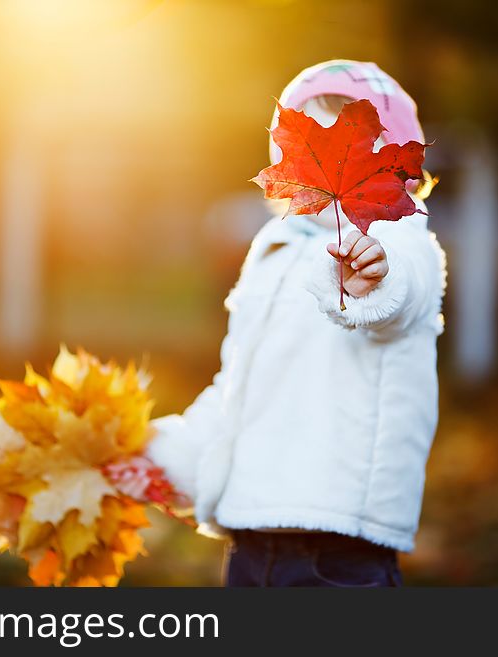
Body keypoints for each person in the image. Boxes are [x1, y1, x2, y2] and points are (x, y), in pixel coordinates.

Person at [118, 60, 446, 587]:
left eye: (357, 153)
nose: (329, 171)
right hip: (251, 538)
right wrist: (162, 457)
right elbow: (240, 388)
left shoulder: (403, 241)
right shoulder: (271, 254)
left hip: (339, 543)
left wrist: (374, 274)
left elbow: (403, 295)